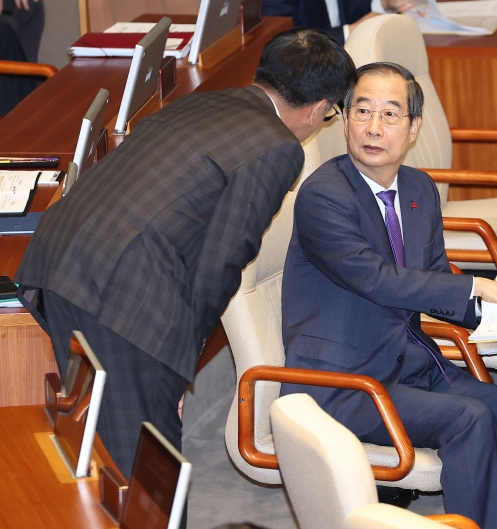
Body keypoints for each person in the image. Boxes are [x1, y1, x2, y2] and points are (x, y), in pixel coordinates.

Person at [15, 28, 356, 478]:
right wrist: (178, 363)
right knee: (142, 463)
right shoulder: (276, 148)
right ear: (316, 110)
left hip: (61, 258)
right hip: (125, 293)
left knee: (97, 435)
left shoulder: (206, 100)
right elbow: (223, 260)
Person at [280, 62, 497, 528]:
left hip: (413, 367)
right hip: (345, 385)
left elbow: (433, 283)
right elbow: (380, 280)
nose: (373, 127)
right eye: (362, 111)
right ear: (345, 118)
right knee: (469, 419)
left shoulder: (417, 188)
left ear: (413, 128)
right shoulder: (324, 197)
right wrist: (479, 283)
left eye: (390, 115)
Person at [262, 0, 414, 44]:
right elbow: (285, 40)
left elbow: (348, 8)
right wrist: (351, 31)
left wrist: (384, 4)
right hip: (306, 77)